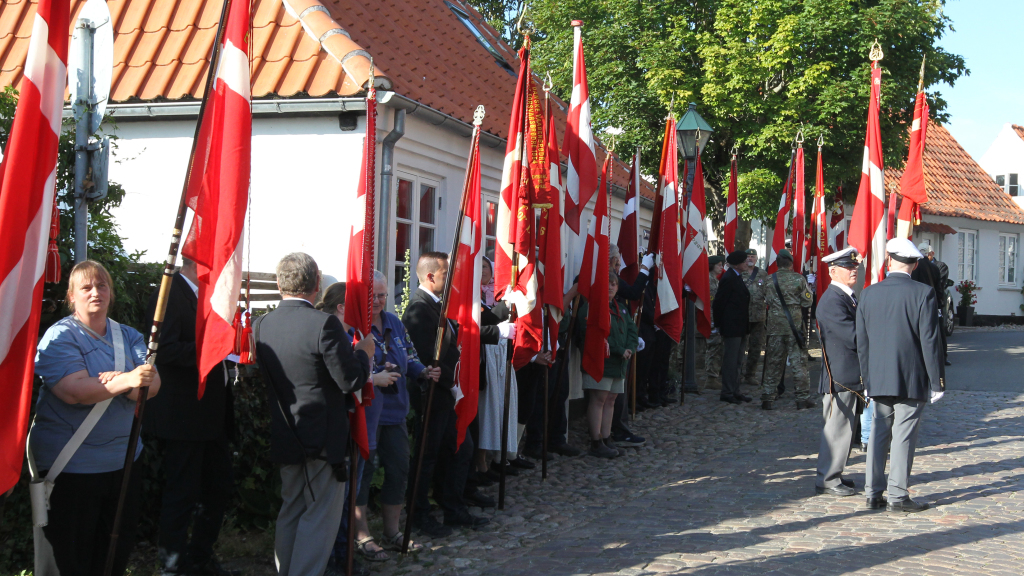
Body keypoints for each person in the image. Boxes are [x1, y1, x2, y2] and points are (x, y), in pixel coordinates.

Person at [31, 260, 162, 576]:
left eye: (102, 286)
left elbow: (152, 386)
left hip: (123, 463)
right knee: (70, 562)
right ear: (71, 296)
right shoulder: (59, 337)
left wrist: (116, 382)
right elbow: (74, 391)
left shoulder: (129, 336)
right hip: (71, 468)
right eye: (86, 287)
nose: (95, 293)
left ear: (111, 293)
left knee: (111, 557)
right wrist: (127, 379)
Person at [253, 253, 373, 576]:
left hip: (286, 431)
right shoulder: (324, 324)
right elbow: (350, 380)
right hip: (323, 440)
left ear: (279, 284)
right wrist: (363, 355)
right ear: (317, 284)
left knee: (291, 509)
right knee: (319, 517)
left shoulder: (261, 324)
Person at [403, 252, 509, 533]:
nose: (451, 280)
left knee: (460, 449)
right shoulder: (419, 309)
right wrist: (453, 384)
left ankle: (453, 507)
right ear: (430, 276)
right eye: (446, 274)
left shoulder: (438, 305)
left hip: (447, 393)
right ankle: (419, 514)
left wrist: (496, 332)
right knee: (427, 457)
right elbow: (427, 358)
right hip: (432, 394)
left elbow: (459, 336)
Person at [144, 258, 236, 576]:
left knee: (217, 487)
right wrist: (213, 349)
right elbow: (163, 349)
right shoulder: (170, 294)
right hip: (183, 416)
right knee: (182, 492)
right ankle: (173, 566)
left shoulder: (210, 297)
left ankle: (200, 558)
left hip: (213, 415)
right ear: (199, 261)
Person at [858, 238, 944, 513]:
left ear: (889, 261)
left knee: (878, 434)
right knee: (903, 435)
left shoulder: (868, 293)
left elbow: (862, 341)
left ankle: (873, 493)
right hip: (910, 377)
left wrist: (866, 378)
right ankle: (897, 495)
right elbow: (930, 340)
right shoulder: (923, 293)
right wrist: (937, 380)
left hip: (878, 377)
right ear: (915, 265)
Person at [813, 248, 862, 497]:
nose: (853, 270)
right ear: (833, 271)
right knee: (836, 429)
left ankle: (835, 473)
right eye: (847, 267)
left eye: (854, 266)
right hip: (839, 375)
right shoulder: (833, 300)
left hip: (848, 373)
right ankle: (828, 478)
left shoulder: (846, 297)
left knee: (845, 429)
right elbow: (852, 336)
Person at [577, 271, 639, 458]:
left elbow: (632, 331)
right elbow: (592, 335)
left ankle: (606, 438)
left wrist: (630, 348)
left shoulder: (621, 308)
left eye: (614, 284)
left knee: (611, 400)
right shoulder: (591, 307)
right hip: (601, 361)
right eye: (607, 283)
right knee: (599, 399)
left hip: (618, 364)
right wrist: (620, 350)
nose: (611, 287)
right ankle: (596, 442)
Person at [760, 249, 813, 410]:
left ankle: (768, 398)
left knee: (773, 363)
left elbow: (764, 299)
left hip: (775, 327)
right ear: (791, 263)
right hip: (794, 327)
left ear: (777, 264)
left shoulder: (769, 280)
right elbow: (807, 302)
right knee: (799, 363)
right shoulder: (799, 279)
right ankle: (802, 398)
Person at [712, 251, 752, 404]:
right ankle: (727, 392)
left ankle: (735, 390)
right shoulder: (728, 278)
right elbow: (719, 302)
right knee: (731, 360)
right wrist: (718, 324)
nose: (747, 263)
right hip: (731, 326)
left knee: (738, 360)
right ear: (736, 264)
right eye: (744, 261)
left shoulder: (736, 276)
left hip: (740, 325)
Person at [912, 241, 950, 366]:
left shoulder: (914, 266)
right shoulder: (935, 267)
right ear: (929, 254)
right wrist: (940, 303)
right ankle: (942, 356)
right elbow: (940, 288)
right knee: (938, 330)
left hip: (917, 302)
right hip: (933, 302)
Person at [741, 248, 770, 386]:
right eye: (748, 256)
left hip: (759, 316)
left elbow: (769, 292)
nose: (750, 259)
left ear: (757, 259)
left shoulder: (763, 274)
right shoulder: (740, 273)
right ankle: (737, 373)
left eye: (752, 256)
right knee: (740, 346)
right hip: (742, 315)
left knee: (756, 347)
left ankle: (750, 375)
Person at [704, 255, 726, 391]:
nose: (721, 267)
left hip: (715, 318)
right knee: (714, 347)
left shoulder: (715, 280)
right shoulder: (709, 281)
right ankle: (711, 378)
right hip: (712, 319)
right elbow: (712, 303)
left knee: (716, 347)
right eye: (719, 265)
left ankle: (713, 376)